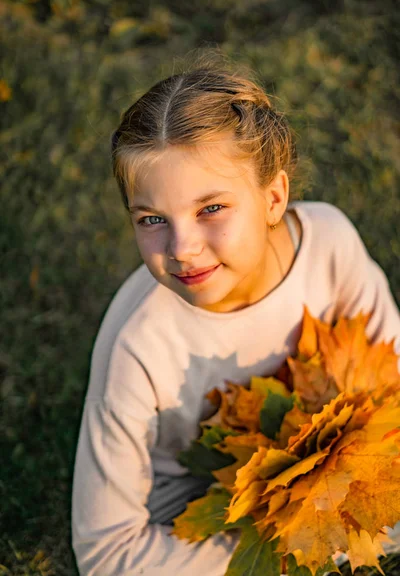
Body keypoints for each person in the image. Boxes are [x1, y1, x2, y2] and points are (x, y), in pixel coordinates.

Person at [71, 55, 400, 575]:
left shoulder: (329, 247)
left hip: (325, 465)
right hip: (196, 509)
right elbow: (106, 552)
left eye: (210, 209)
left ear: (273, 198)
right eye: (153, 219)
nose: (183, 248)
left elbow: (393, 380)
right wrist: (271, 550)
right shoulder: (139, 344)